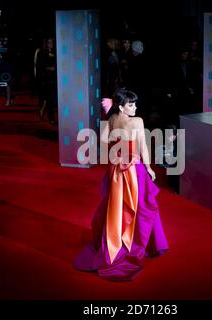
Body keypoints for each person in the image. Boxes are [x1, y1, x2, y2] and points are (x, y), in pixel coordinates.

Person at [73, 88, 169, 281]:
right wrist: (149, 167)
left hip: (115, 169)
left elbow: (102, 140)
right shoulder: (137, 121)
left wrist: (118, 147)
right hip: (133, 170)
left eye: (135, 104)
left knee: (116, 208)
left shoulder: (112, 119)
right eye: (131, 104)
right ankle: (137, 244)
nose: (135, 107)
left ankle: (114, 242)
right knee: (142, 206)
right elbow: (142, 146)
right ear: (122, 107)